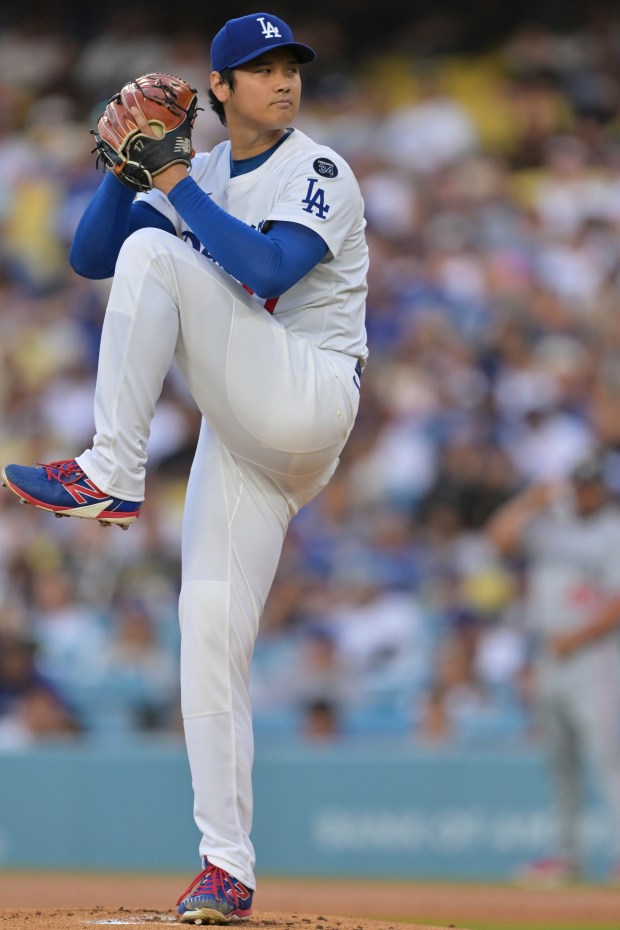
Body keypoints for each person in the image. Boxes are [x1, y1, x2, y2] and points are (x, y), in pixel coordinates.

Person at [2, 12, 368, 924]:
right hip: (244, 437)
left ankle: (110, 471)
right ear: (221, 88)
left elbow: (271, 266)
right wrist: (122, 170)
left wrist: (166, 182)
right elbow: (92, 256)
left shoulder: (317, 168)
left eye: (291, 67)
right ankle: (226, 870)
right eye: (260, 69)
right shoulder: (199, 173)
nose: (282, 81)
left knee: (158, 250)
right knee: (206, 637)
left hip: (308, 391)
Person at [485, 452, 620, 885]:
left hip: (594, 656)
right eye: (581, 485)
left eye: (593, 485)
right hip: (549, 657)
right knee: (559, 762)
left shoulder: (612, 530)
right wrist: (532, 499)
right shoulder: (551, 525)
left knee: (608, 759)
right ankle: (568, 857)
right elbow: (498, 539)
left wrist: (576, 637)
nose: (587, 492)